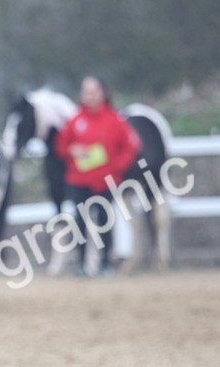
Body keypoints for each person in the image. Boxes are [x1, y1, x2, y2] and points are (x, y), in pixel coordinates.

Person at [54, 76, 141, 275]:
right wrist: (72, 150)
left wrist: (117, 167)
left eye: (93, 92)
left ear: (103, 94)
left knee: (104, 221)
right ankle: (81, 264)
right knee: (80, 222)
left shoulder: (114, 120)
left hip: (105, 181)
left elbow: (130, 146)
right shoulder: (74, 121)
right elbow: (61, 146)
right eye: (86, 92)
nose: (89, 96)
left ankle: (105, 264)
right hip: (78, 180)